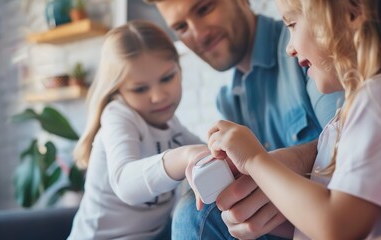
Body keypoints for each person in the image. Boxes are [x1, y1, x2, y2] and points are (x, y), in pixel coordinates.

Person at [203, 0, 381, 239]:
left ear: (352, 13)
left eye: (292, 24)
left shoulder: (380, 102)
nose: (289, 48)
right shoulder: (367, 104)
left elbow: (339, 226)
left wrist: (255, 160)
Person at [144, 0, 344, 238]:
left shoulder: (310, 50)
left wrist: (284, 163)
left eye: (204, 9)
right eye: (181, 27)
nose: (199, 34)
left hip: (335, 219)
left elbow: (350, 136)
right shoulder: (228, 102)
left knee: (195, 214)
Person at [67, 20, 208, 240]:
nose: (158, 96)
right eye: (140, 89)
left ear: (179, 69)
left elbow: (204, 150)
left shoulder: (172, 126)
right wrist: (184, 156)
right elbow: (125, 183)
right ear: (118, 91)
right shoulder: (118, 116)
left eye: (167, 78)